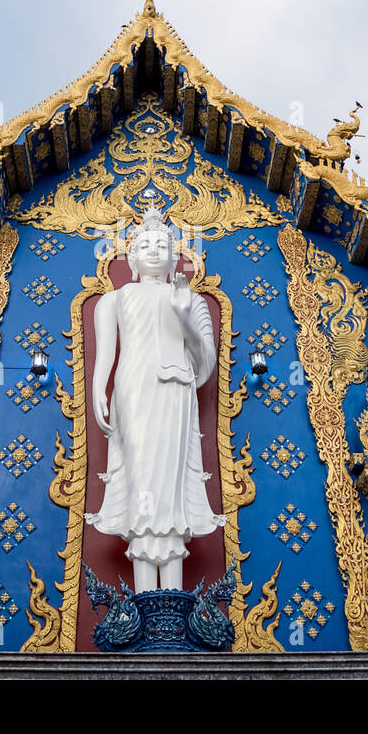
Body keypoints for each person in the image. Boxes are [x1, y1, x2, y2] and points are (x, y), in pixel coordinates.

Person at [84, 205, 226, 592]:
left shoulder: (189, 300)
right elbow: (106, 357)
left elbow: (205, 365)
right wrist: (99, 389)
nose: (152, 250)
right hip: (133, 392)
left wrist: (182, 317)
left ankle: (172, 596)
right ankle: (146, 596)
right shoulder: (114, 300)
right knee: (140, 478)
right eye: (143, 244)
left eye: (161, 244)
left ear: (173, 256)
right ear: (130, 257)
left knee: (171, 486)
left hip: (176, 394)